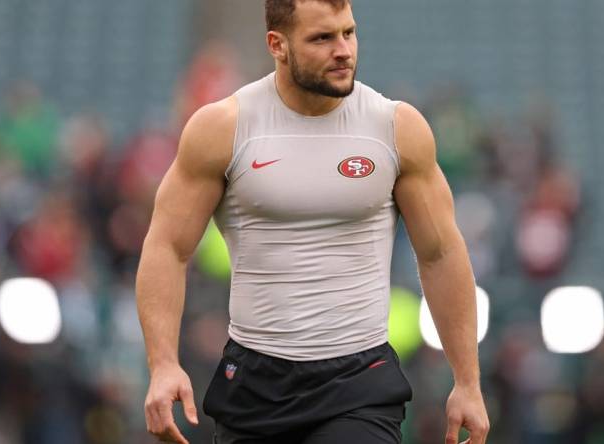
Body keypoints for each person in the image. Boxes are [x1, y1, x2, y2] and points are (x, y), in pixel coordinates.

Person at [136, 0, 490, 442]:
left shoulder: (394, 128)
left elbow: (440, 254)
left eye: (348, 32)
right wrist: (163, 363)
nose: (343, 50)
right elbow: (167, 246)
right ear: (277, 45)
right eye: (322, 38)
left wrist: (467, 382)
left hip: (359, 380)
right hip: (254, 380)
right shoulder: (224, 128)